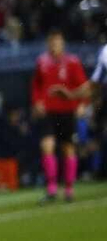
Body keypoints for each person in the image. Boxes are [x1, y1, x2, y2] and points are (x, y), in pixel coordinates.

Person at [31, 30, 88, 203]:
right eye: (52, 43)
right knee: (47, 146)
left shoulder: (72, 62)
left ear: (62, 44)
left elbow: (84, 85)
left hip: (67, 110)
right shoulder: (42, 62)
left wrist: (82, 104)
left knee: (67, 148)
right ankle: (52, 189)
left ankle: (69, 189)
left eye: (58, 43)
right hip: (49, 111)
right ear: (49, 44)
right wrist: (37, 101)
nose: (55, 46)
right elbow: (36, 85)